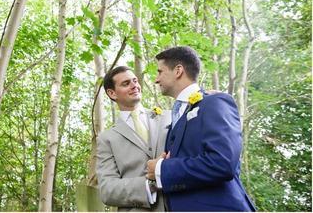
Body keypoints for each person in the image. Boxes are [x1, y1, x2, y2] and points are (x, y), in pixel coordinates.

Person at [146, 46, 256, 211]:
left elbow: (222, 162)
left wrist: (162, 169)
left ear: (178, 71)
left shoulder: (215, 102)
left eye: (160, 72)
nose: (156, 79)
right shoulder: (176, 115)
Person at [96, 66, 171, 211]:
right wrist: (150, 183)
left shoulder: (169, 117)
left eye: (135, 81)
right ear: (112, 93)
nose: (134, 86)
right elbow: (107, 190)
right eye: (126, 84)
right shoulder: (107, 139)